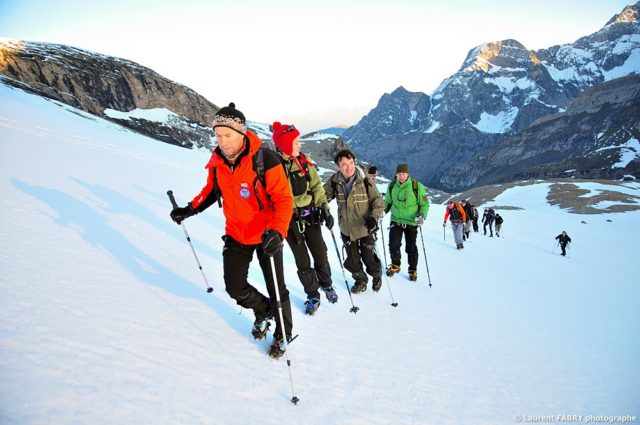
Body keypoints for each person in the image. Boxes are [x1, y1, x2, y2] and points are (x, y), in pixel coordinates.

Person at [170, 103, 294, 359]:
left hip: (266, 234)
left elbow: (283, 199)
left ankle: (283, 333)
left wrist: (278, 231)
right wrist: (188, 210)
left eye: (228, 135)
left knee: (277, 287)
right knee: (234, 287)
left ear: (241, 133)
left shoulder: (264, 159)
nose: (222, 141)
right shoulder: (217, 163)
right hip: (236, 233)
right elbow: (211, 192)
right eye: (218, 135)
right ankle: (264, 310)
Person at [271, 121, 338, 315]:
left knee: (320, 253)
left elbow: (316, 187)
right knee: (302, 261)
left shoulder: (303, 161)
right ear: (285, 144)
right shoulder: (275, 168)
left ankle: (326, 284)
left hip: (310, 217)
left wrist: (325, 208)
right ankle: (312, 295)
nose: (300, 145)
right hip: (290, 222)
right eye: (296, 141)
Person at [324, 150, 385, 293]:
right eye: (344, 164)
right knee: (352, 261)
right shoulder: (334, 181)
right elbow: (322, 197)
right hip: (347, 229)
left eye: (351, 163)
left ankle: (376, 275)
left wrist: (373, 217)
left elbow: (377, 200)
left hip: (365, 227)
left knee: (369, 258)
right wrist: (323, 211)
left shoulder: (363, 179)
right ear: (338, 166)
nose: (349, 167)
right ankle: (361, 280)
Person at [383, 163, 429, 281]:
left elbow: (424, 204)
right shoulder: (392, 185)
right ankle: (395, 265)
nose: (401, 176)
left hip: (411, 222)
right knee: (393, 245)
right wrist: (383, 212)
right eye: (399, 174)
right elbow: (388, 202)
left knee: (411, 247)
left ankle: (412, 270)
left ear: (408, 174)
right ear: (396, 174)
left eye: (403, 174)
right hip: (396, 220)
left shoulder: (417, 186)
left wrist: (422, 216)